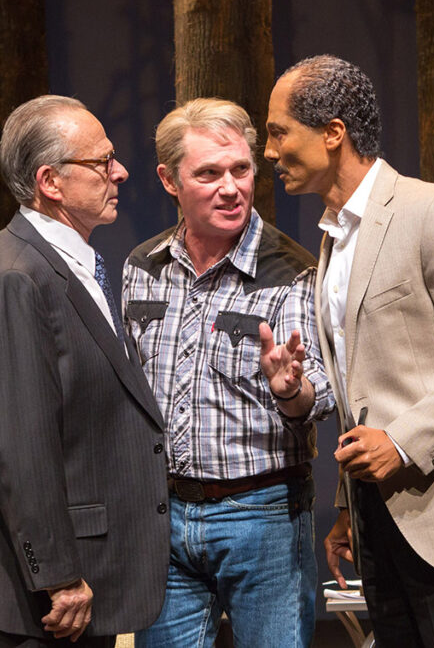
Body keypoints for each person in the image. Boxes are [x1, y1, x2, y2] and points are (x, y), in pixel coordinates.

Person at [265, 55, 434, 647]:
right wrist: (349, 502)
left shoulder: (429, 211)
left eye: (278, 131)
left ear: (333, 133)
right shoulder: (333, 240)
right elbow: (363, 387)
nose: (270, 152)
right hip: (382, 519)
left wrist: (401, 442)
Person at [0, 95, 170, 647]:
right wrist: (60, 575)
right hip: (45, 601)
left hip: (80, 577)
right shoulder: (16, 276)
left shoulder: (69, 262)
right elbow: (17, 442)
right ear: (50, 181)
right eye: (101, 162)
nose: (120, 172)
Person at [122, 98, 334, 647]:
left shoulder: (292, 270)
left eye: (241, 170)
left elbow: (324, 393)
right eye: (209, 174)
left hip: (262, 515)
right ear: (170, 180)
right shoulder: (142, 269)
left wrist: (292, 391)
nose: (230, 187)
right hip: (163, 516)